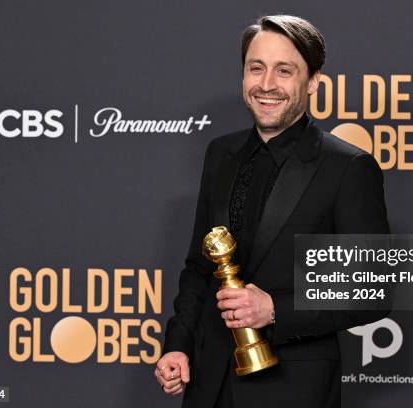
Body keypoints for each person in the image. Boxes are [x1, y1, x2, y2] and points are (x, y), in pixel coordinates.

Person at [155, 14, 390, 408]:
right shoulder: (220, 153)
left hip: (292, 388)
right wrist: (178, 346)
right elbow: (199, 266)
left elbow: (372, 291)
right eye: (256, 68)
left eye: (284, 71)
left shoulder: (348, 167)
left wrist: (275, 309)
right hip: (208, 382)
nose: (266, 85)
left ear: (313, 81)